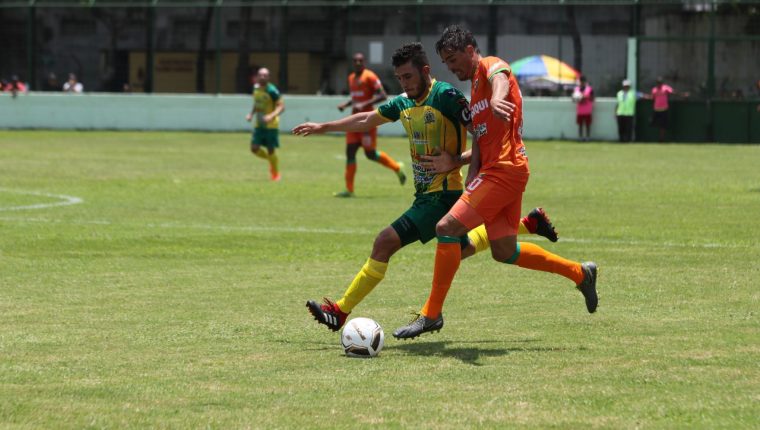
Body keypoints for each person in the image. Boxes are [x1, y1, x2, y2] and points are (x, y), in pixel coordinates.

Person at [293, 43, 559, 332]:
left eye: (408, 76)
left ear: (425, 71)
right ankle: (527, 224)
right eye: (399, 78)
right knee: (464, 248)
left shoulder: (447, 96)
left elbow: (484, 138)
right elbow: (368, 118)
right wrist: (324, 127)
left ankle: (341, 311)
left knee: (385, 241)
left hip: (442, 195)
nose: (404, 84)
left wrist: (455, 161)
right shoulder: (403, 102)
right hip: (425, 195)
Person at [392, 25, 598, 340]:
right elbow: (481, 139)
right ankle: (580, 273)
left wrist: (499, 99)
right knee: (503, 250)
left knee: (446, 228)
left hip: (504, 170)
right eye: (446, 62)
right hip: (500, 171)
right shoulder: (474, 91)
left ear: (469, 50)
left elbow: (500, 78)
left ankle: (431, 315)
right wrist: (467, 168)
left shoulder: (489, 66)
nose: (451, 67)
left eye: (452, 59)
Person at [333, 52, 406, 197]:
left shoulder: (370, 76)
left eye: (360, 60)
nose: (358, 63)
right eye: (355, 61)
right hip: (354, 122)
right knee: (350, 152)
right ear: (353, 63)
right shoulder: (351, 78)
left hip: (368, 122)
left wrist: (364, 104)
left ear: (364, 62)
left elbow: (382, 95)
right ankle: (349, 190)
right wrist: (346, 104)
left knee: (370, 154)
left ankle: (396, 168)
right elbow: (355, 98)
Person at [245, 67, 285, 181]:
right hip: (259, 124)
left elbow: (281, 107)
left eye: (265, 75)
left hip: (271, 126)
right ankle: (271, 160)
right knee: (254, 148)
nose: (262, 77)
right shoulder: (256, 88)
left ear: (269, 77)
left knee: (271, 150)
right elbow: (257, 103)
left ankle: (275, 174)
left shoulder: (272, 91)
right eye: (260, 75)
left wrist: (271, 116)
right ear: (257, 76)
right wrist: (251, 114)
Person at [645, 76, 688, 142]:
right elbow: (652, 97)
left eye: (660, 83)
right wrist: (645, 96)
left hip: (664, 110)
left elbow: (673, 92)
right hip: (656, 110)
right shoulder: (654, 90)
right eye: (658, 83)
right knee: (652, 123)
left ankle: (661, 139)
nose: (659, 84)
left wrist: (682, 95)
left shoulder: (666, 88)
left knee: (663, 125)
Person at [573, 75, 594, 142]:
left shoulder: (589, 89)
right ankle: (580, 137)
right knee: (580, 125)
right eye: (581, 81)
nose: (582, 83)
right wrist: (578, 99)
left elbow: (592, 98)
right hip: (580, 110)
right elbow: (573, 99)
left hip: (587, 110)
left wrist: (585, 97)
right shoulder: (576, 89)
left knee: (587, 125)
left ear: (585, 82)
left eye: (583, 81)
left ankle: (588, 137)